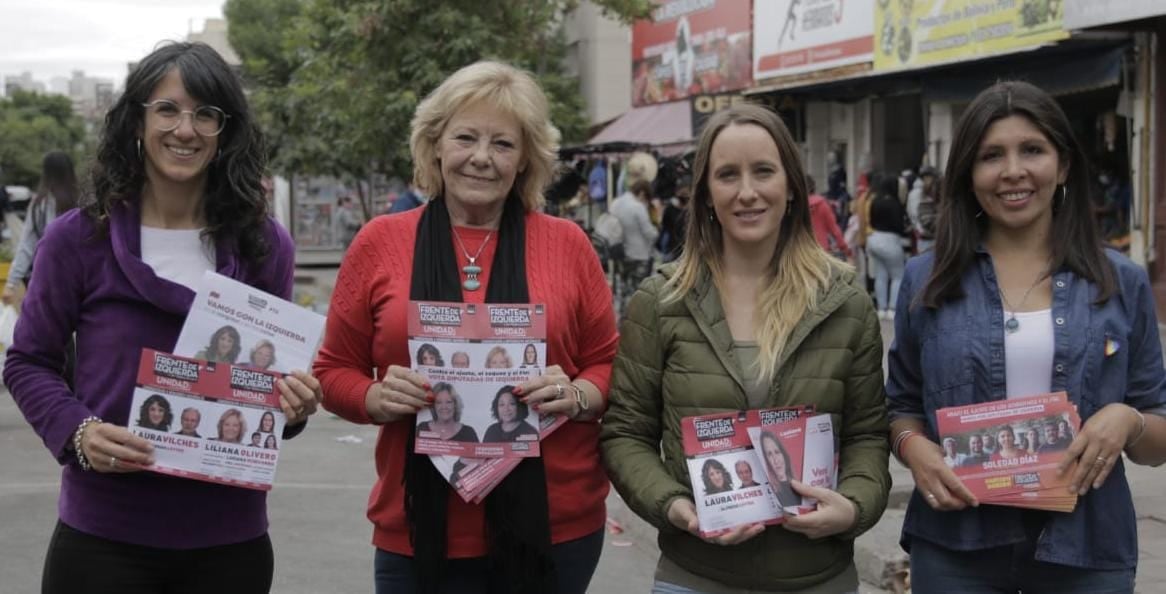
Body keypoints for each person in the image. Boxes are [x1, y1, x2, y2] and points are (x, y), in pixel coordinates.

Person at [2, 42, 323, 593]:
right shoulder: (77, 239)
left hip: (228, 542)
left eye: (206, 114)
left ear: (226, 132)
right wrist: (78, 432)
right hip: (103, 537)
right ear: (137, 121)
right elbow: (28, 361)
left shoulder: (264, 245)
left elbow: (268, 387)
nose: (186, 129)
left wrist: (294, 406)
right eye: (168, 109)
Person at [313, 60, 618, 594]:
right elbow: (334, 369)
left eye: (503, 144)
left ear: (526, 160)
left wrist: (575, 393)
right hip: (417, 531)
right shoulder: (380, 242)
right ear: (434, 145)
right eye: (465, 137)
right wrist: (374, 397)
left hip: (555, 529)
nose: (481, 157)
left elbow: (609, 364)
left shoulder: (568, 244)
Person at [886, 80, 1166, 592]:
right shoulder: (925, 280)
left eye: (1032, 150)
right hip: (957, 545)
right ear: (969, 174)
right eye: (992, 155)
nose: (1013, 171)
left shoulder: (1120, 282)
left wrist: (1126, 421)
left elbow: (1157, 440)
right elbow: (899, 405)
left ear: (1062, 166)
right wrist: (913, 448)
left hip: (1087, 548)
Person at [601, 103, 890, 592]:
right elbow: (625, 434)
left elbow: (867, 436)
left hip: (817, 577)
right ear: (707, 194)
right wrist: (677, 507)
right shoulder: (662, 300)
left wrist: (854, 507)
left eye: (763, 172)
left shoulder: (845, 302)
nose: (747, 192)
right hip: (695, 574)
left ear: (792, 187)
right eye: (728, 175)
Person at [2, 151, 80, 308]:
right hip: (81, 278)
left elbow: (27, 245)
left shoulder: (40, 204)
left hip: (46, 279)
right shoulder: (83, 201)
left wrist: (11, 283)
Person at [866, 173, 910, 320]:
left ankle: (881, 308)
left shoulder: (875, 201)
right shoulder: (895, 204)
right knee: (898, 275)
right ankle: (892, 309)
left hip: (874, 239)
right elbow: (900, 226)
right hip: (891, 241)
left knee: (880, 275)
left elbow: (871, 222)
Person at [609, 178, 659, 301]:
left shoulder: (615, 203)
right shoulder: (638, 207)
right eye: (647, 198)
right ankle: (635, 316)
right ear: (642, 193)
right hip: (639, 254)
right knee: (639, 291)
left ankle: (623, 314)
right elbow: (649, 233)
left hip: (620, 252)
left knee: (623, 288)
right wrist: (657, 231)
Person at [807, 175, 850, 258]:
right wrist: (844, 247)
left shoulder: (796, 206)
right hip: (821, 249)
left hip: (800, 251)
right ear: (814, 187)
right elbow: (834, 229)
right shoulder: (822, 204)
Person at [759, 430, 801, 509]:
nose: (775, 460)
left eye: (777, 452)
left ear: (784, 454)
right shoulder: (772, 493)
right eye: (769, 454)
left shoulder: (799, 483)